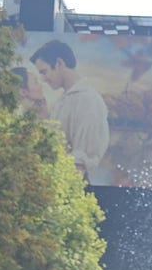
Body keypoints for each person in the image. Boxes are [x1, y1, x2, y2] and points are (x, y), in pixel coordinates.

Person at [30, 39, 110, 185]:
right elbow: (58, 144)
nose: (43, 79)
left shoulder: (87, 100)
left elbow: (81, 161)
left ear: (59, 63)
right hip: (59, 182)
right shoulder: (64, 99)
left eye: (44, 72)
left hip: (72, 185)